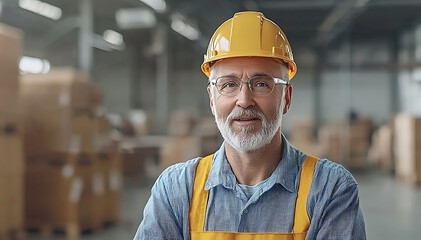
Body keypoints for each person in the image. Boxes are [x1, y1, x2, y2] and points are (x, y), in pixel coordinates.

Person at [134, 11, 366, 240]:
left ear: (286, 98)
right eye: (228, 85)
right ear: (212, 100)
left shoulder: (329, 189)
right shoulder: (176, 189)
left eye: (262, 84)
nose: (244, 100)